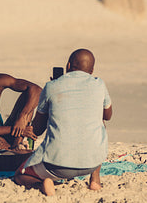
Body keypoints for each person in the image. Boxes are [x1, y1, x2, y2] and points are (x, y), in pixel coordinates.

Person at [14, 49, 113, 196]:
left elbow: (38, 129)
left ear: (68, 66)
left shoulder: (51, 86)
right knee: (100, 122)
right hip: (91, 162)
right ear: (92, 70)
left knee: (20, 175)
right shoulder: (99, 84)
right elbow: (108, 115)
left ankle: (42, 184)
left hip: (56, 166)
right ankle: (95, 179)